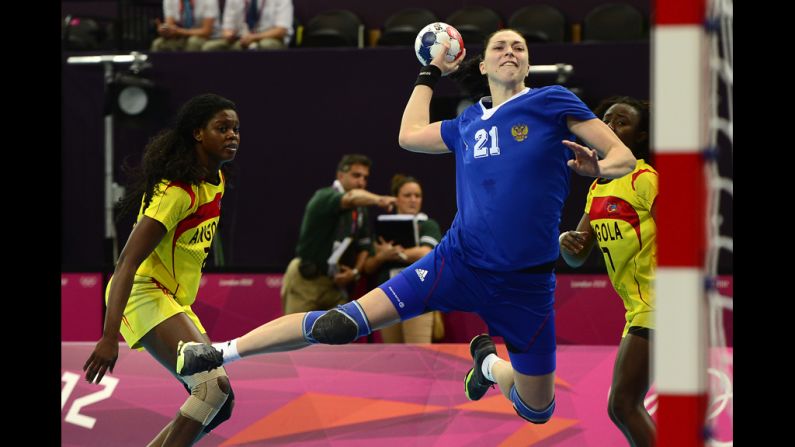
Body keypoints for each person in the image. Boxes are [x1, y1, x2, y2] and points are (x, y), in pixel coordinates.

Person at [176, 29, 636, 427]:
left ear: (528, 62)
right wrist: (429, 72)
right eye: (500, 46)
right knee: (341, 324)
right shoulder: (467, 123)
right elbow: (409, 134)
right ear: (483, 63)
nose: (511, 51)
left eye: (519, 46)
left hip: (526, 285)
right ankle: (219, 352)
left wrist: (597, 170)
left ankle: (490, 366)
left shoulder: (552, 102)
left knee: (538, 411)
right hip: (456, 263)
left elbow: (623, 158)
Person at [82, 93, 239, 446]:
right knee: (210, 389)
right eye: (222, 128)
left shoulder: (217, 181)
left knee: (221, 400)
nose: (232, 135)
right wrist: (108, 336)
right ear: (198, 133)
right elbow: (126, 263)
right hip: (143, 291)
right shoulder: (176, 192)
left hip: (172, 299)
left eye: (235, 129)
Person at [559, 96, 656, 446]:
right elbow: (577, 256)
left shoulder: (646, 179)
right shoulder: (598, 186)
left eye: (623, 122)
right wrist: (567, 242)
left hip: (660, 306)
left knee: (623, 404)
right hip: (638, 309)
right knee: (623, 406)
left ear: (641, 137)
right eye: (607, 120)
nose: (611, 128)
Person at [281, 154, 397, 314]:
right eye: (356, 175)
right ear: (340, 175)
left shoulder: (361, 210)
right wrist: (380, 200)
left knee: (336, 336)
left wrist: (355, 272)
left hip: (337, 286)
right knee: (295, 334)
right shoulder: (324, 197)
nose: (361, 182)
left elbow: (364, 247)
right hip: (307, 281)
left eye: (365, 177)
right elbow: (351, 197)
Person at [363, 174, 443, 343]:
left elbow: (426, 253)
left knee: (418, 354)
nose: (413, 200)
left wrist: (396, 254)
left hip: (418, 295)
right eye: (407, 195)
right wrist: (381, 256)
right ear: (396, 199)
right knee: (394, 358)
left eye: (417, 196)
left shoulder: (428, 224)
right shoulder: (382, 226)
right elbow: (369, 266)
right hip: (386, 296)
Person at [202, 0, 293, 51]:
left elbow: (281, 30)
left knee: (266, 45)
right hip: (241, 38)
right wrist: (229, 34)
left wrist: (253, 37)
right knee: (210, 47)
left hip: (270, 37)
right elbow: (227, 27)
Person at [151, 0, 221, 52]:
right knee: (158, 43)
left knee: (193, 42)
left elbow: (206, 31)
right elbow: (169, 25)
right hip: (180, 35)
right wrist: (163, 29)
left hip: (209, 37)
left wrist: (178, 31)